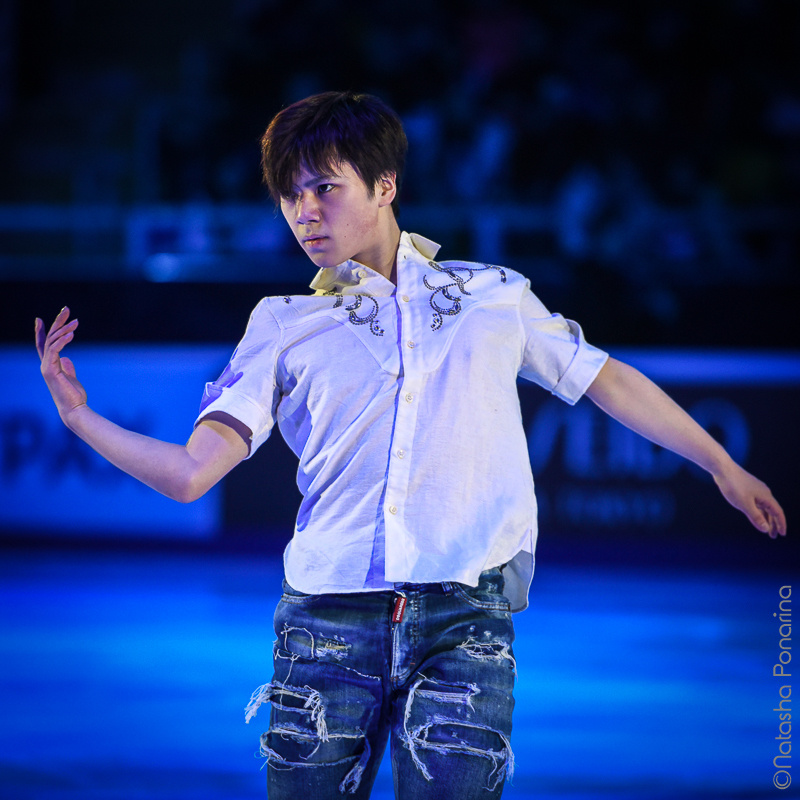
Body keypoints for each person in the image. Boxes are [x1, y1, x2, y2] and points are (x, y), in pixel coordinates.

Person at [36, 91, 786, 799]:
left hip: (466, 622)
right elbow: (191, 474)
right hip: (324, 626)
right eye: (290, 195)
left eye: (324, 188)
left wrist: (719, 462)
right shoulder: (280, 324)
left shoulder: (492, 294)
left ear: (386, 185)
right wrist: (80, 420)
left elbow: (604, 379)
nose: (305, 212)